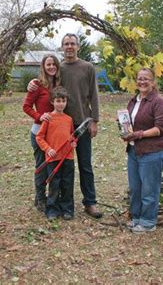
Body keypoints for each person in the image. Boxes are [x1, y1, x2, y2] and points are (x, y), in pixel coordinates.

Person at [29, 33, 102, 218]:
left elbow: (94, 94)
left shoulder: (87, 67)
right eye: (66, 44)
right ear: (62, 47)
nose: (69, 46)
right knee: (59, 166)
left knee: (85, 165)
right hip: (60, 126)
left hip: (82, 124)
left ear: (78, 46)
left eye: (73, 44)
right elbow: (44, 80)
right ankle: (58, 201)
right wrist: (32, 83)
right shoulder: (58, 68)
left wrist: (94, 120)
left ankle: (90, 202)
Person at [122, 67, 163, 233]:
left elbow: (162, 128)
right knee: (135, 188)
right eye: (139, 78)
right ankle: (136, 218)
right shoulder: (134, 100)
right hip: (134, 151)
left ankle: (148, 222)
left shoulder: (159, 102)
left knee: (149, 189)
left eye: (146, 79)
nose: (142, 81)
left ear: (153, 82)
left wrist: (139, 134)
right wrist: (125, 129)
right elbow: (129, 121)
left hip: (152, 152)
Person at [23, 54, 61, 212]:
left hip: (56, 133)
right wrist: (39, 116)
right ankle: (40, 198)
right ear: (43, 67)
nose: (51, 67)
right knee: (42, 166)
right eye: (48, 64)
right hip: (40, 132)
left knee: (54, 167)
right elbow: (26, 106)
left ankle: (54, 197)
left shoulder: (59, 84)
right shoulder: (37, 85)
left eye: (54, 64)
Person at [36, 86, 77, 220]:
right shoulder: (48, 118)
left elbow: (70, 136)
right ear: (52, 101)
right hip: (53, 158)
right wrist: (48, 149)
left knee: (67, 184)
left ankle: (67, 209)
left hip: (68, 157)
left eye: (63, 101)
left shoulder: (68, 119)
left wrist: (72, 143)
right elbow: (39, 137)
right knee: (54, 184)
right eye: (58, 101)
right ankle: (52, 209)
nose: (61, 104)